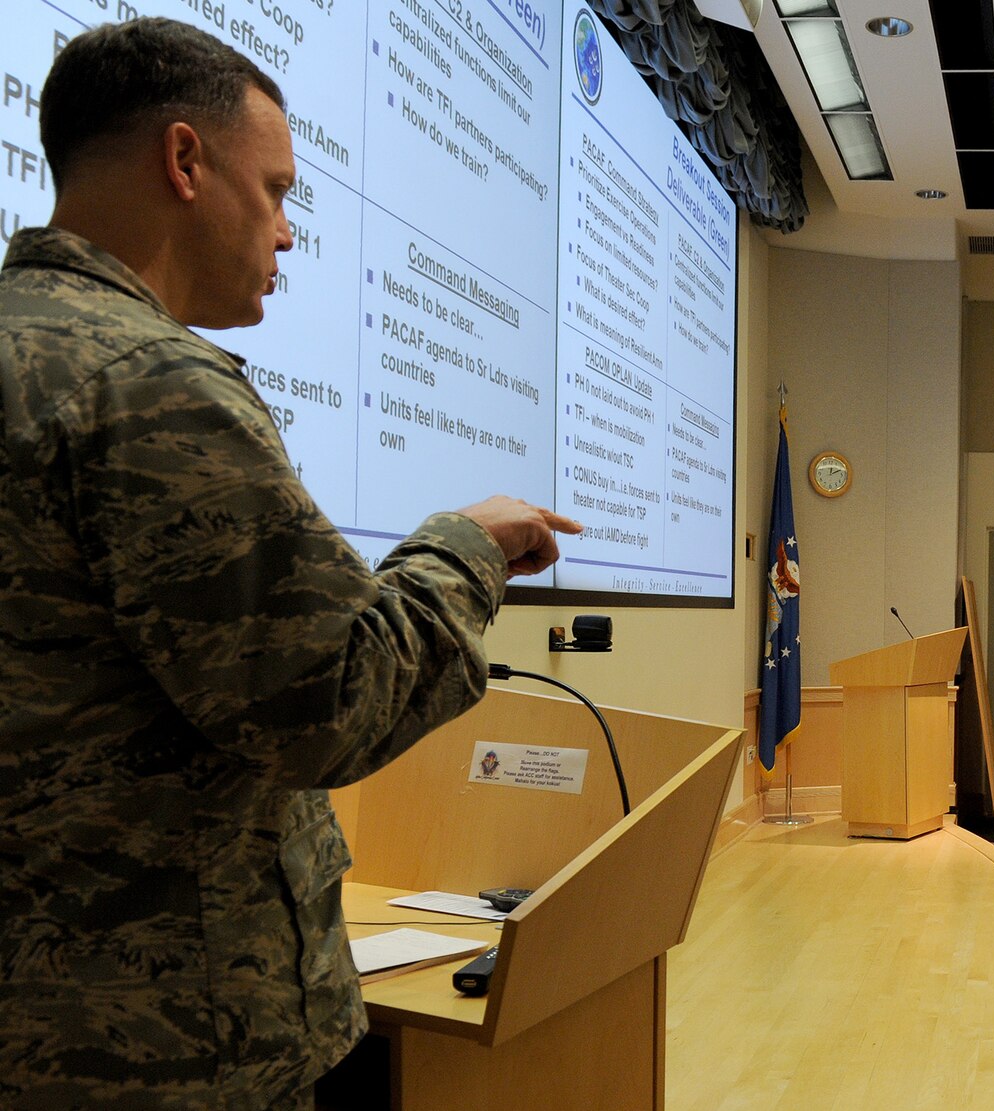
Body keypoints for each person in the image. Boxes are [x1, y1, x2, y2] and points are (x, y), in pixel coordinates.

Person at [0, 19, 583, 1109]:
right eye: (274, 192)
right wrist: (466, 546)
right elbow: (328, 700)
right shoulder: (152, 384)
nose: (287, 232)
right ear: (184, 162)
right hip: (160, 1045)